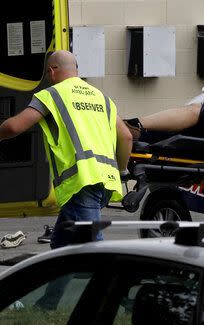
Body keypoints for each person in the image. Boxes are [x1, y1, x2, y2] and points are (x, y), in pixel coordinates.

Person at [0, 50, 133, 249]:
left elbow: (13, 127)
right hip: (105, 183)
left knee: (92, 253)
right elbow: (126, 136)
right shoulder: (102, 97)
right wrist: (121, 171)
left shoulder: (51, 95)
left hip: (81, 184)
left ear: (52, 71)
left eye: (46, 74)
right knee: (60, 247)